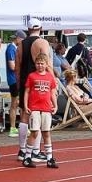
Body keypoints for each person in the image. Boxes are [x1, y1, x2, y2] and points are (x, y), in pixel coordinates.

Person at [22, 39, 61, 168]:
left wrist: (55, 105)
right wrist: (26, 105)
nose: (40, 66)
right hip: (34, 108)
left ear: (46, 64)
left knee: (46, 132)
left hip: (46, 108)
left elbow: (52, 92)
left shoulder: (50, 77)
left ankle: (50, 158)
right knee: (34, 132)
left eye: (42, 63)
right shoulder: (32, 76)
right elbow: (27, 91)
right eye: (38, 63)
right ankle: (27, 156)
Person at [15, 21, 46, 160]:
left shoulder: (21, 45)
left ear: (27, 29)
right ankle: (35, 150)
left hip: (24, 81)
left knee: (24, 115)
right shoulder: (42, 43)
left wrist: (19, 84)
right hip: (39, 82)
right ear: (41, 28)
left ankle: (22, 150)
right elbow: (46, 63)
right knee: (38, 115)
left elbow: (17, 67)